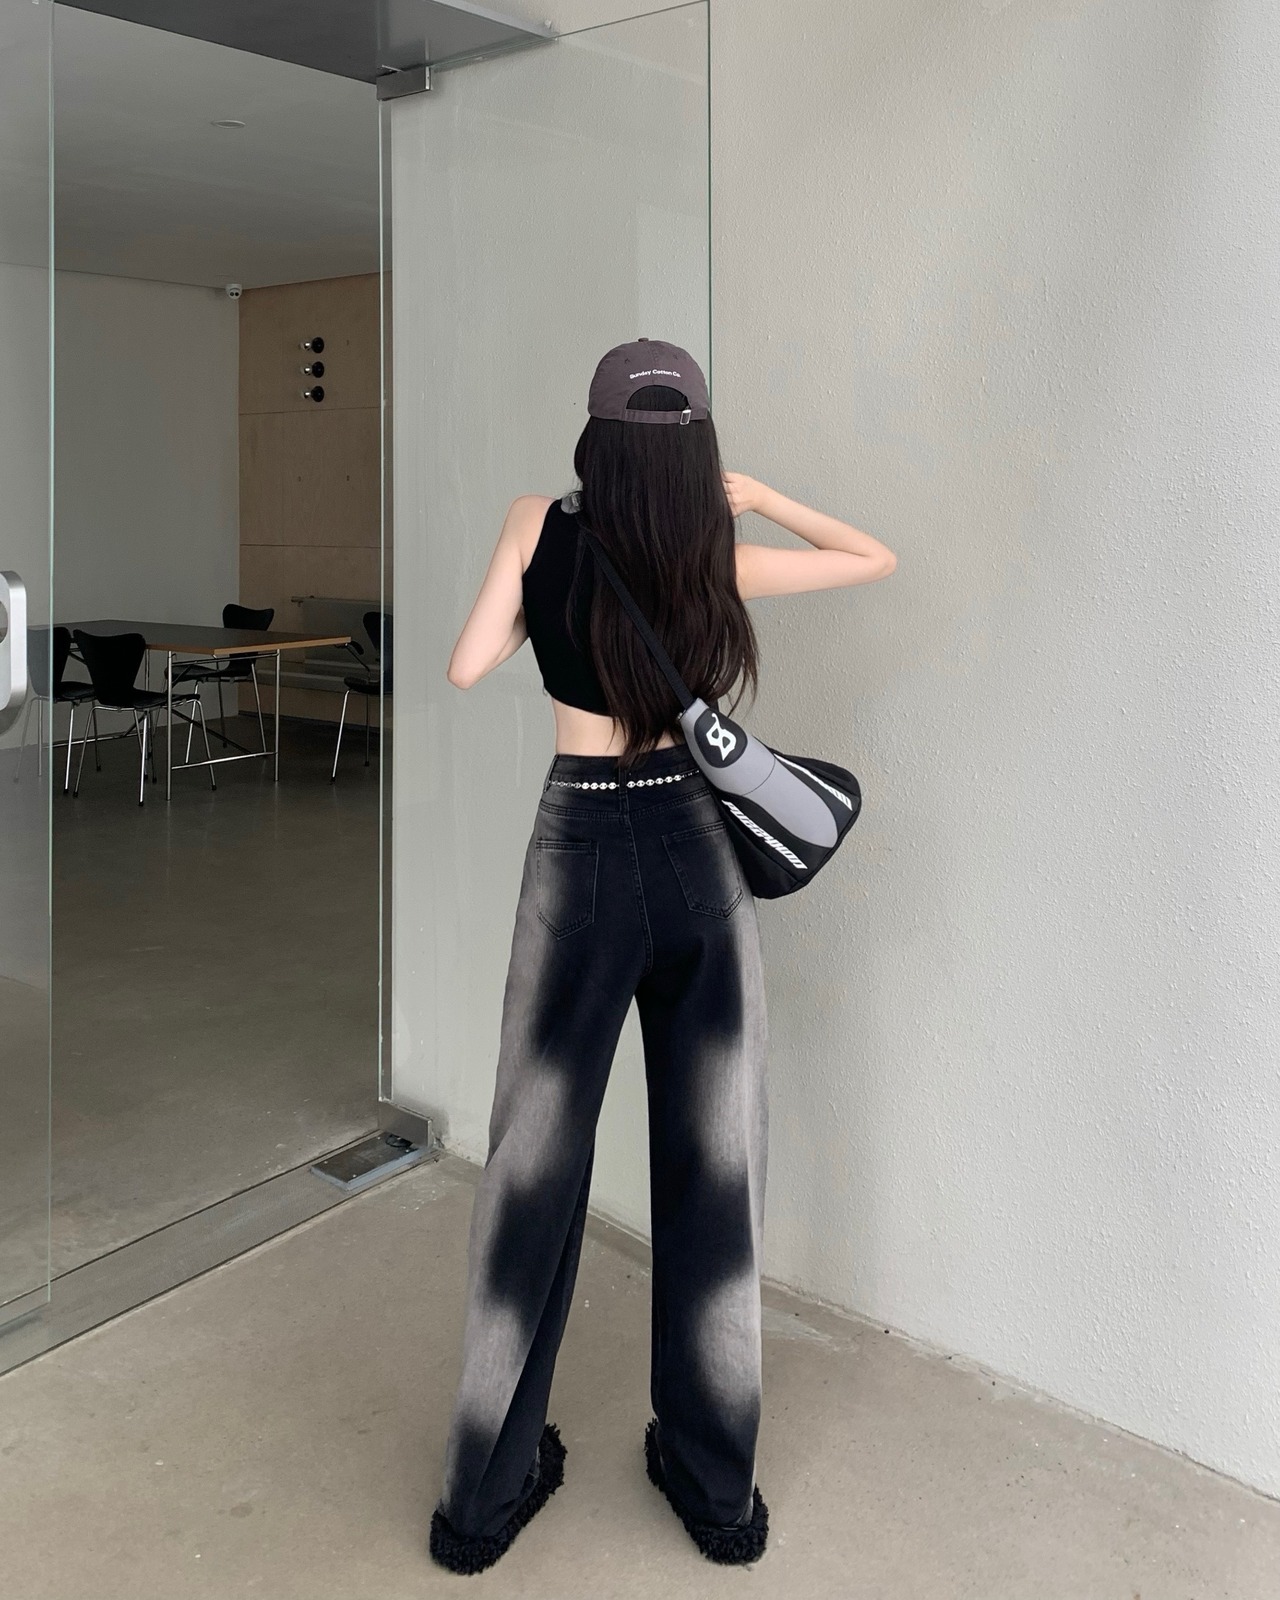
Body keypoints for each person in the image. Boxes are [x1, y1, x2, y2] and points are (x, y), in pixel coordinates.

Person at [428, 339, 897, 1575]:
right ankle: (712, 1488)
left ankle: (481, 1500)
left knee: (532, 1164)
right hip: (693, 848)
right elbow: (871, 558)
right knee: (713, 1162)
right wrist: (762, 496)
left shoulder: (536, 524)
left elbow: (465, 665)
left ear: (594, 439)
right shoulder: (708, 553)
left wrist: (543, 599)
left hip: (578, 844)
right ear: (696, 448)